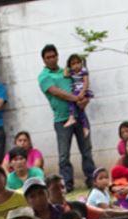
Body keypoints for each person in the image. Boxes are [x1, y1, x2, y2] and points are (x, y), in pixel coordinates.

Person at [40, 44, 94, 190]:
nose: (51, 59)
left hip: (80, 115)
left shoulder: (67, 71)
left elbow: (81, 83)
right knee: (64, 155)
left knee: (87, 150)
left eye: (53, 56)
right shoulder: (44, 76)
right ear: (44, 60)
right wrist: (75, 99)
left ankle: (92, 180)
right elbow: (56, 92)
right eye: (48, 57)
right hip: (62, 119)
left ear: (57, 56)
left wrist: (84, 100)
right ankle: (68, 185)